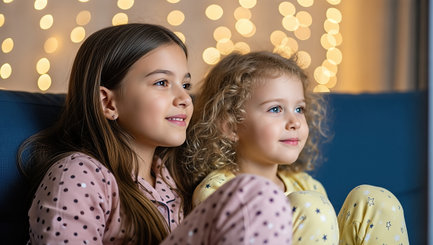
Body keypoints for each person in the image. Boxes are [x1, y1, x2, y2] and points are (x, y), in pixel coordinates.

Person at [18, 24, 293, 245]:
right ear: (108, 103)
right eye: (162, 82)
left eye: (185, 84)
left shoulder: (175, 176)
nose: (184, 98)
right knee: (255, 193)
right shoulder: (80, 175)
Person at [182, 51, 410, 244]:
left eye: (299, 109)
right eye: (275, 109)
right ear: (231, 126)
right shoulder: (218, 190)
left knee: (374, 199)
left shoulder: (306, 184)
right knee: (310, 206)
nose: (295, 122)